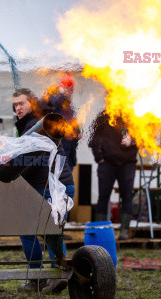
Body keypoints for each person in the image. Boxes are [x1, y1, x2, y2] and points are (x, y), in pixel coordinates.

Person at [13, 88, 75, 293]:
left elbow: (30, 162)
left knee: (30, 230)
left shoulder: (34, 126)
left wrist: (9, 169)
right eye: (15, 105)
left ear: (32, 103)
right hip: (59, 185)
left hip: (50, 187)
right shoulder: (35, 124)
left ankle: (39, 278)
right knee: (52, 232)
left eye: (21, 103)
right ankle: (55, 274)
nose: (18, 108)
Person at [88, 110, 137, 240]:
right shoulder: (103, 116)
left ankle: (124, 230)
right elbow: (94, 137)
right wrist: (99, 157)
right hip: (107, 163)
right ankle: (100, 230)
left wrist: (132, 140)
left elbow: (146, 137)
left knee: (127, 195)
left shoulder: (135, 114)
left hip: (127, 163)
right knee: (103, 197)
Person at [40, 74, 79, 171]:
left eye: (71, 90)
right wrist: (61, 94)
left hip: (69, 154)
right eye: (68, 89)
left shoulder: (69, 107)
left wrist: (77, 132)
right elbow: (47, 109)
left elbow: (72, 125)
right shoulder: (52, 99)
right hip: (57, 152)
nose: (70, 93)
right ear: (62, 88)